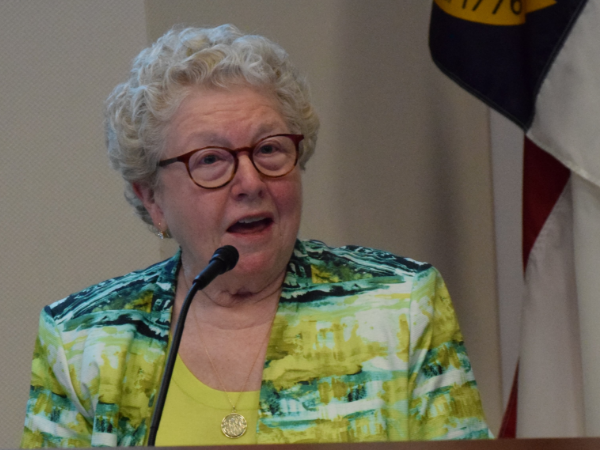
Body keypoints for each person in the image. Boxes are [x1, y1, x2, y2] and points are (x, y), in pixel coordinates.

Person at [21, 25, 491, 447]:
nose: (250, 182)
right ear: (152, 199)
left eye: (269, 149)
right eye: (210, 159)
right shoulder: (84, 338)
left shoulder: (399, 304)